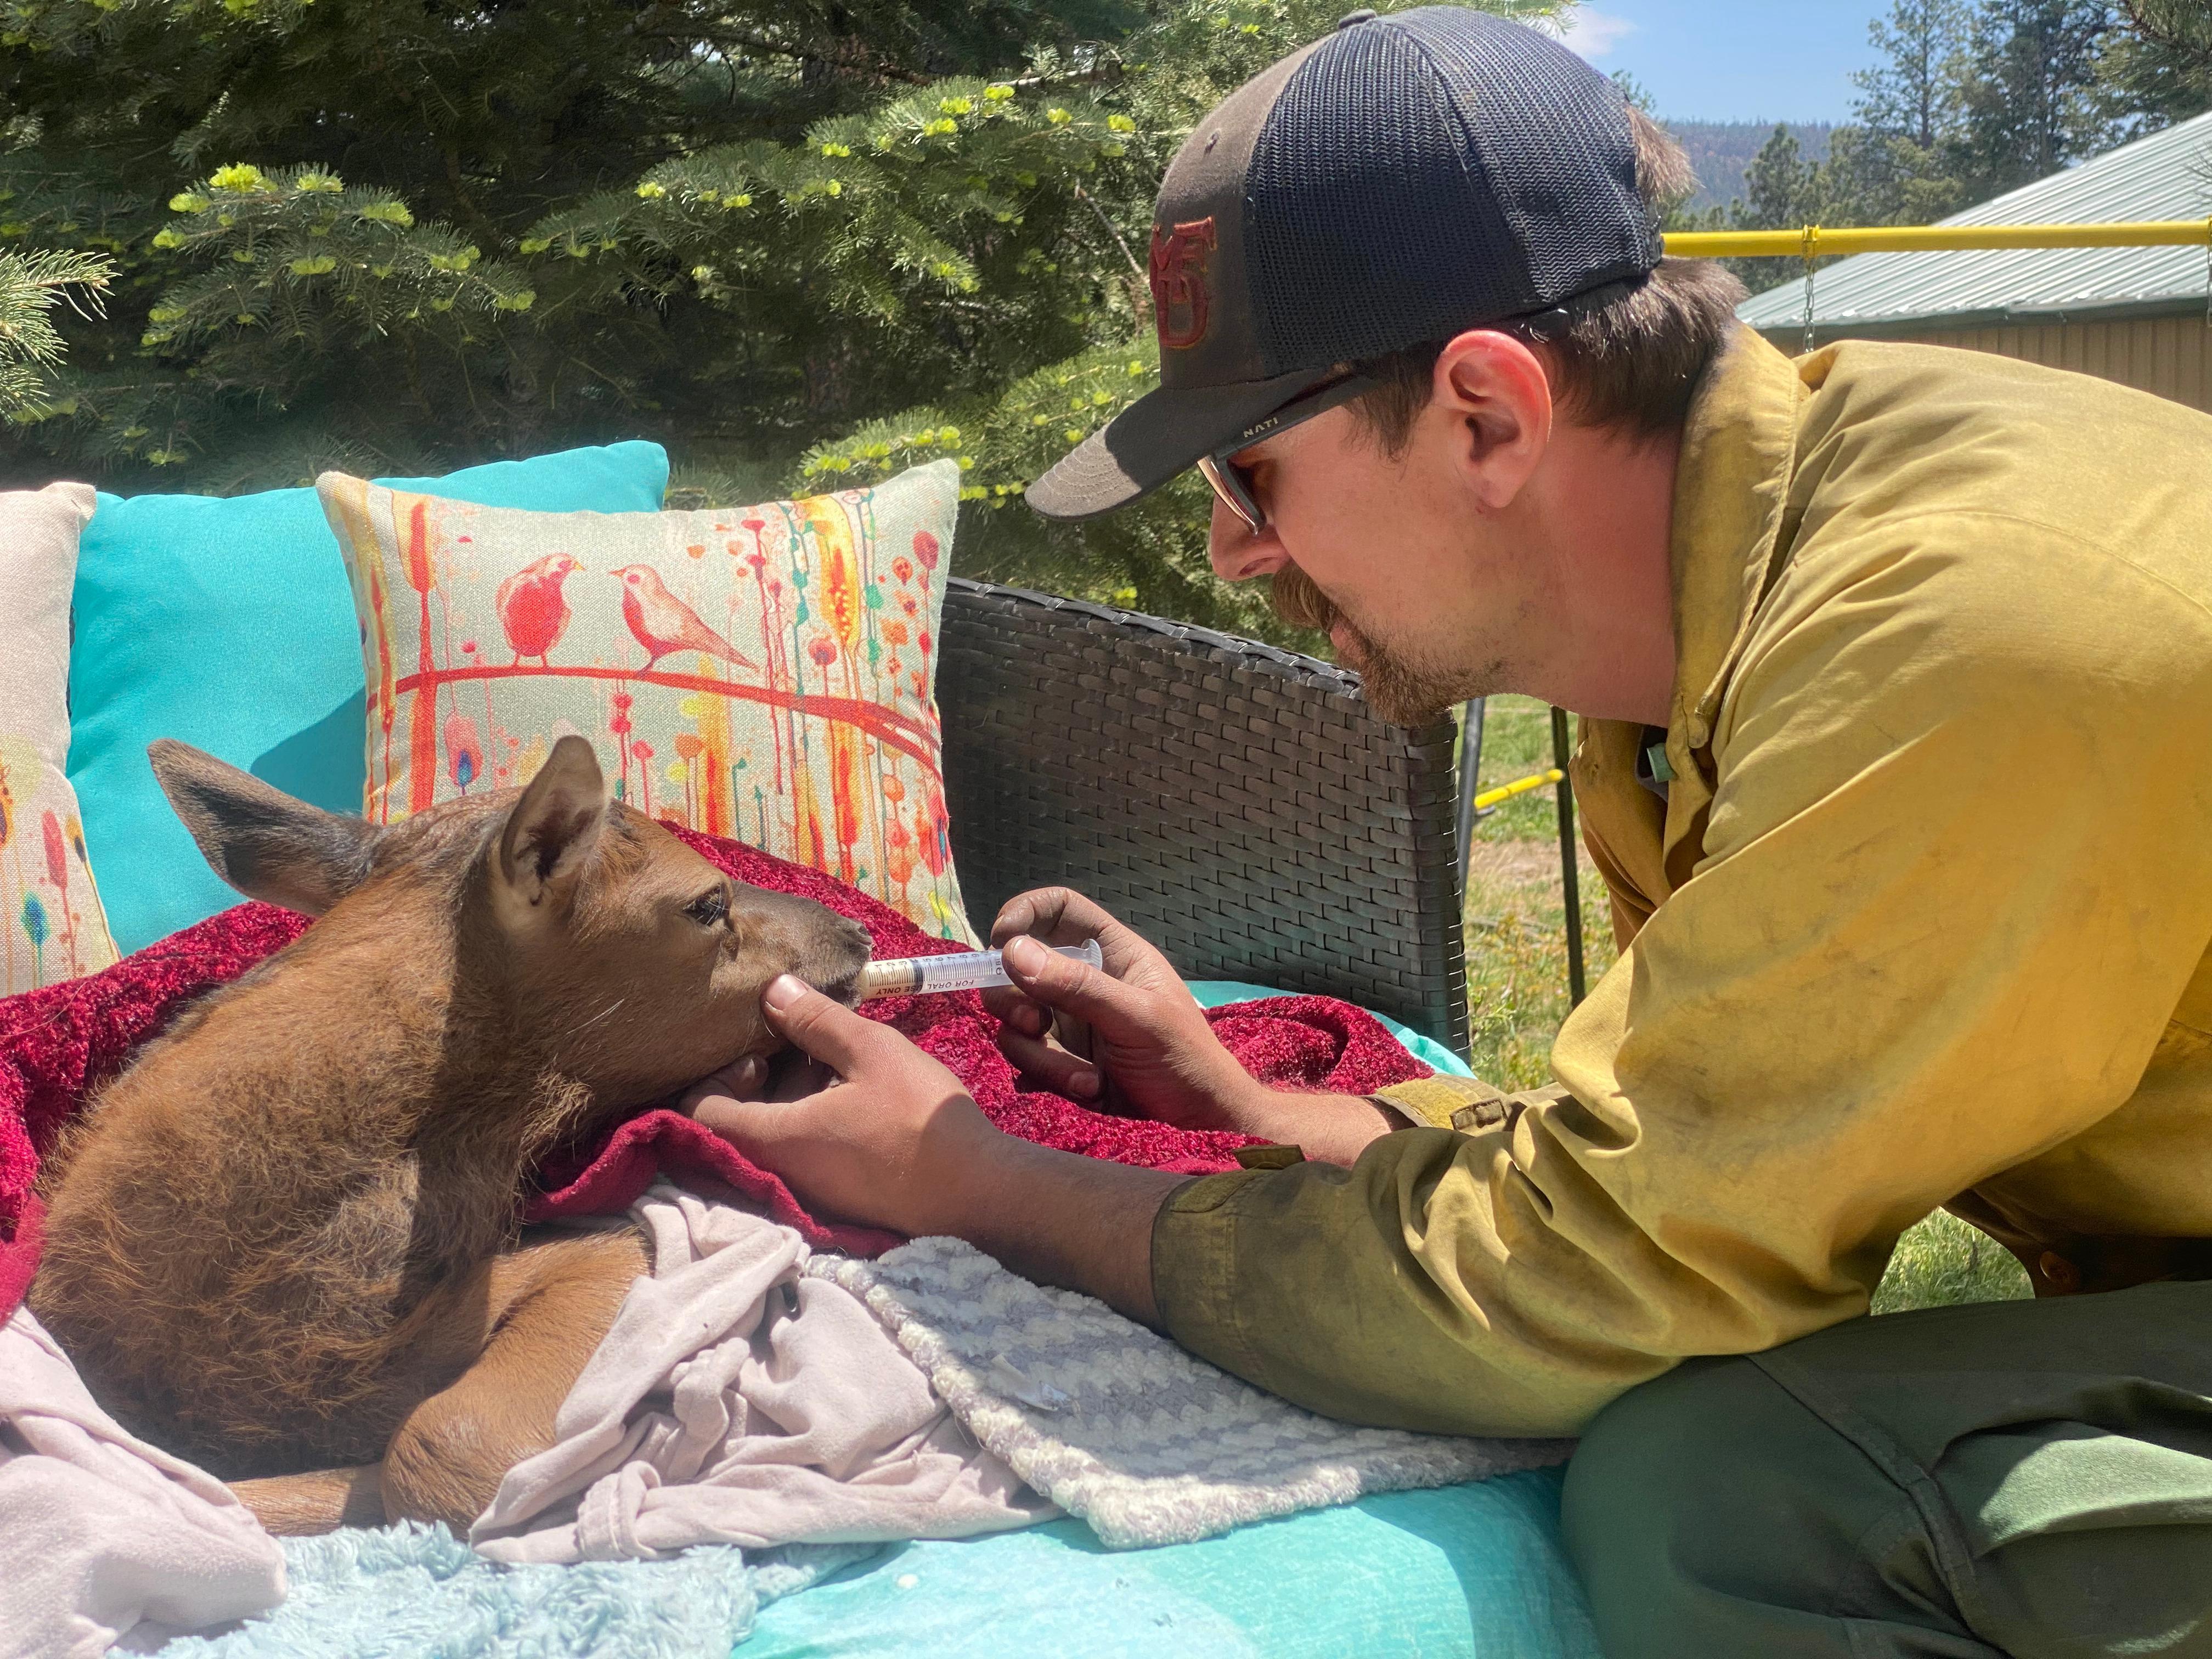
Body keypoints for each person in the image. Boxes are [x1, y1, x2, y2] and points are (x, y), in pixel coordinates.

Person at [684, 9, 2212, 1653]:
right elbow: (1670, 1155)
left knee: (1735, 1499)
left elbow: (1609, 1285)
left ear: (1488, 413)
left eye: (1252, 474)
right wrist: (1238, 1102)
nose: (1231, 555)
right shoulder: (1708, 611)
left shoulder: (1955, 642)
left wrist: (976, 1182)